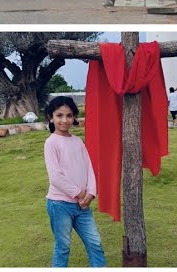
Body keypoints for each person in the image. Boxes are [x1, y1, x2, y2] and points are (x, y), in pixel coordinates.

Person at [43, 96, 105, 268]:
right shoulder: (51, 143)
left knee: (95, 243)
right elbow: (55, 177)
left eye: (69, 115)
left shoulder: (77, 141)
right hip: (60, 204)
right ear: (51, 117)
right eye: (59, 115)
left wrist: (91, 193)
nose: (64, 120)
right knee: (63, 247)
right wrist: (79, 193)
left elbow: (89, 168)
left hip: (83, 206)